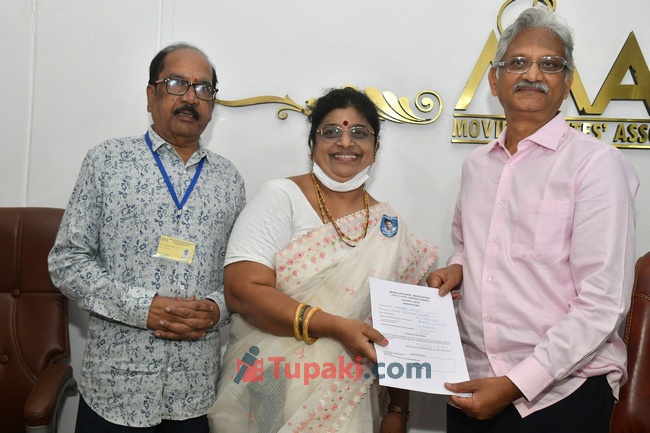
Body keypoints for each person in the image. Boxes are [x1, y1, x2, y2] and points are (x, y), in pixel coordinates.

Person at [427, 6, 639, 433]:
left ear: (568, 83)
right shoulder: (476, 166)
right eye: (518, 62)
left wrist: (516, 384)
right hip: (472, 380)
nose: (533, 74)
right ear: (494, 80)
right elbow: (470, 244)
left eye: (550, 64)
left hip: (563, 394)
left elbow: (602, 303)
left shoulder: (596, 165)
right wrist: (457, 268)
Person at [207, 87, 438, 433]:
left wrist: (398, 408)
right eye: (331, 132)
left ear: (376, 147)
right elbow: (242, 291)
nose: (345, 142)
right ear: (312, 143)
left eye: (359, 132)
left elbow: (396, 327)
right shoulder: (280, 197)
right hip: (272, 389)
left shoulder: (388, 226)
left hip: (352, 397)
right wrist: (333, 325)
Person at [48, 43, 246, 432]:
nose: (191, 97)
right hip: (115, 390)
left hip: (194, 393)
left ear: (212, 104)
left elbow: (239, 276)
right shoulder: (106, 161)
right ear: (151, 94)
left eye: (203, 88)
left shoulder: (229, 180)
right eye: (177, 83)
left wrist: (216, 310)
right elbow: (67, 262)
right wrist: (144, 308)